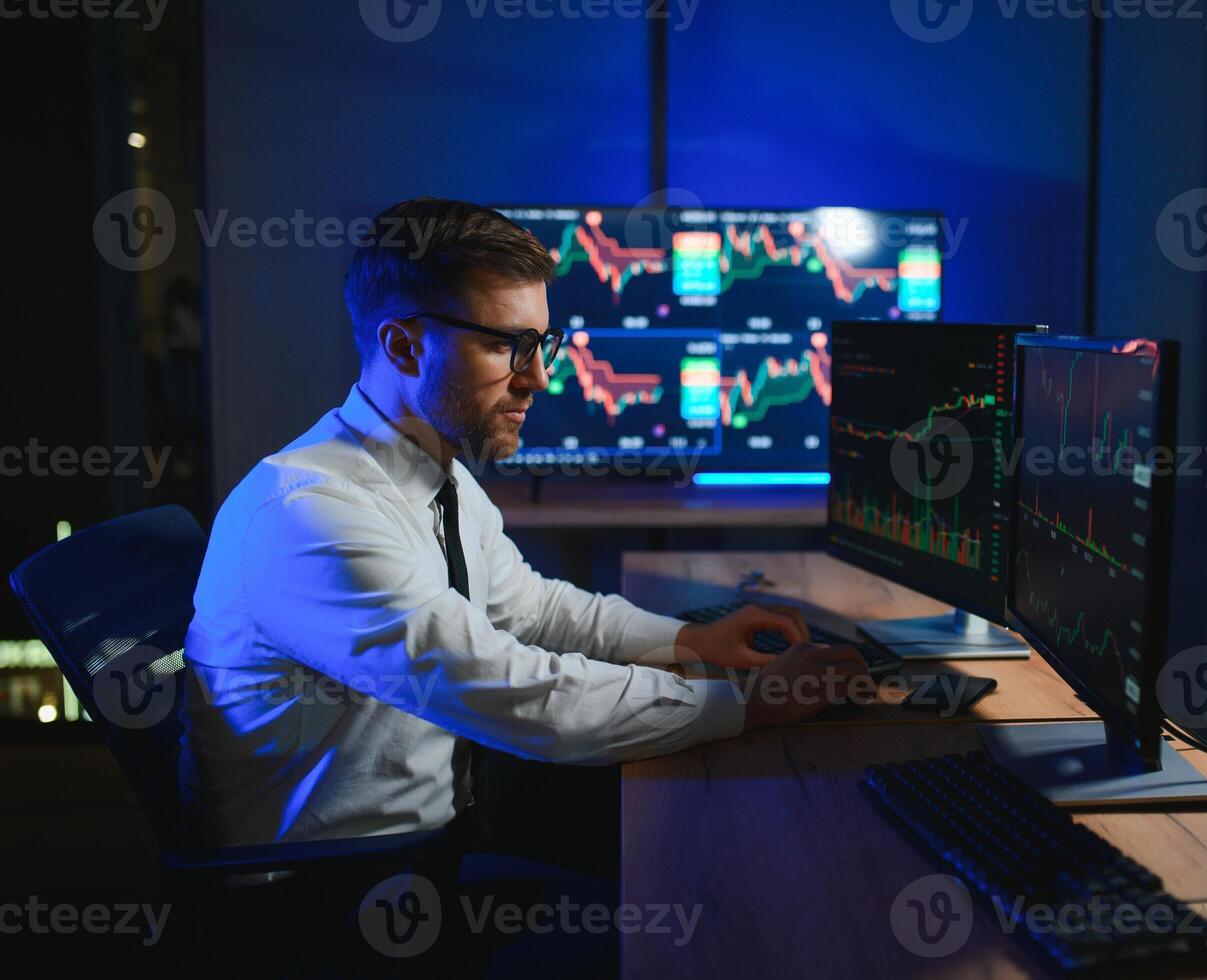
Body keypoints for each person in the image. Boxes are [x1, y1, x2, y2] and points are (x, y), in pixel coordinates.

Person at [177, 197, 868, 972]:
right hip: (331, 911)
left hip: (436, 846)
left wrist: (686, 639)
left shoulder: (430, 471)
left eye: (542, 344)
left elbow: (529, 608)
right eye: (508, 347)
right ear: (404, 346)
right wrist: (747, 702)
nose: (538, 378)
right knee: (725, 929)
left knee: (730, 863)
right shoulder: (309, 516)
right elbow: (513, 691)